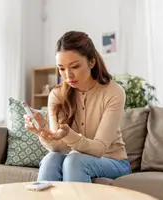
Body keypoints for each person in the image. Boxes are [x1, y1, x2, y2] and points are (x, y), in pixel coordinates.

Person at [24, 30, 131, 183]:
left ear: (92, 62)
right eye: (61, 68)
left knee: (74, 161)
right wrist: (42, 131)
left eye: (74, 66)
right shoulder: (56, 95)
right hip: (77, 158)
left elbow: (99, 149)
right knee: (51, 159)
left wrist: (68, 134)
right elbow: (58, 148)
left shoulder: (113, 92)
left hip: (114, 161)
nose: (67, 76)